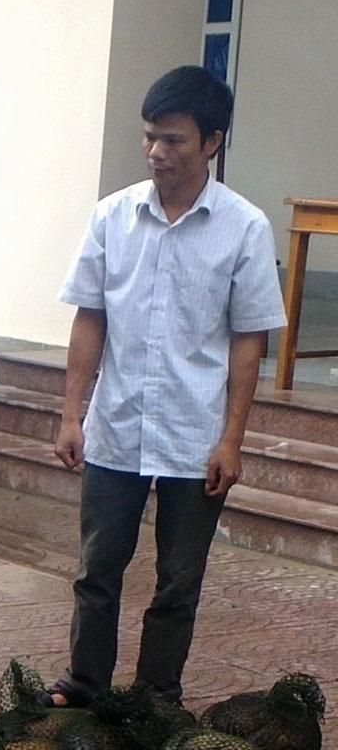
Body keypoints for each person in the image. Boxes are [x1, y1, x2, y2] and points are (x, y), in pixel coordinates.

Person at [43, 65, 286, 708]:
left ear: (212, 142)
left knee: (179, 579)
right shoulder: (112, 217)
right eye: (150, 137)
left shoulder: (245, 228)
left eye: (174, 140)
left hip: (194, 432)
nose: (157, 153)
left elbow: (248, 342)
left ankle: (157, 697)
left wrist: (232, 441)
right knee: (98, 569)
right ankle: (85, 683)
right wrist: (73, 415)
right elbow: (88, 318)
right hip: (117, 427)